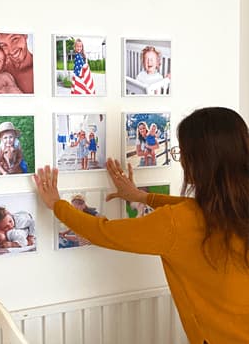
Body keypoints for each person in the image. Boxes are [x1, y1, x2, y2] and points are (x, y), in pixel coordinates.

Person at [33, 107, 249, 344]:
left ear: (199, 162)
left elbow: (104, 231)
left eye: (182, 154)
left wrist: (57, 205)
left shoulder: (178, 222)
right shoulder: (233, 208)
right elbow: (201, 209)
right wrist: (144, 197)